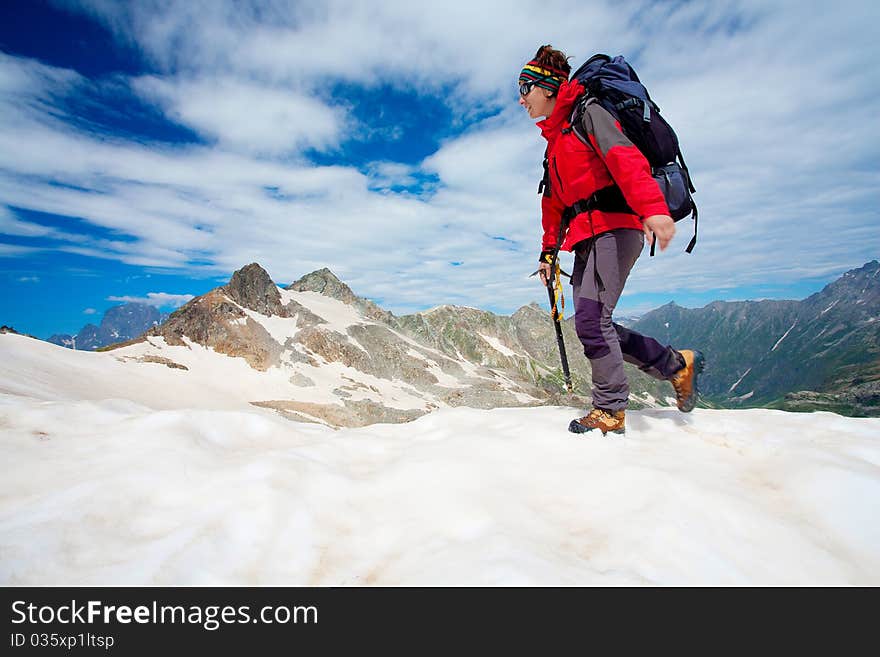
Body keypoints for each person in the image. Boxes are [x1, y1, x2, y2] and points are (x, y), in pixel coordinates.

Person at [519, 45, 704, 436]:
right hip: (586, 236)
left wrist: (653, 207)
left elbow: (623, 157)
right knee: (592, 321)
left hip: (615, 227)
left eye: (526, 87)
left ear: (549, 88)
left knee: (591, 321)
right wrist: (548, 252)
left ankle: (609, 410)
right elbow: (553, 202)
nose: (521, 98)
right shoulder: (556, 142)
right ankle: (676, 364)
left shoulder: (588, 113)